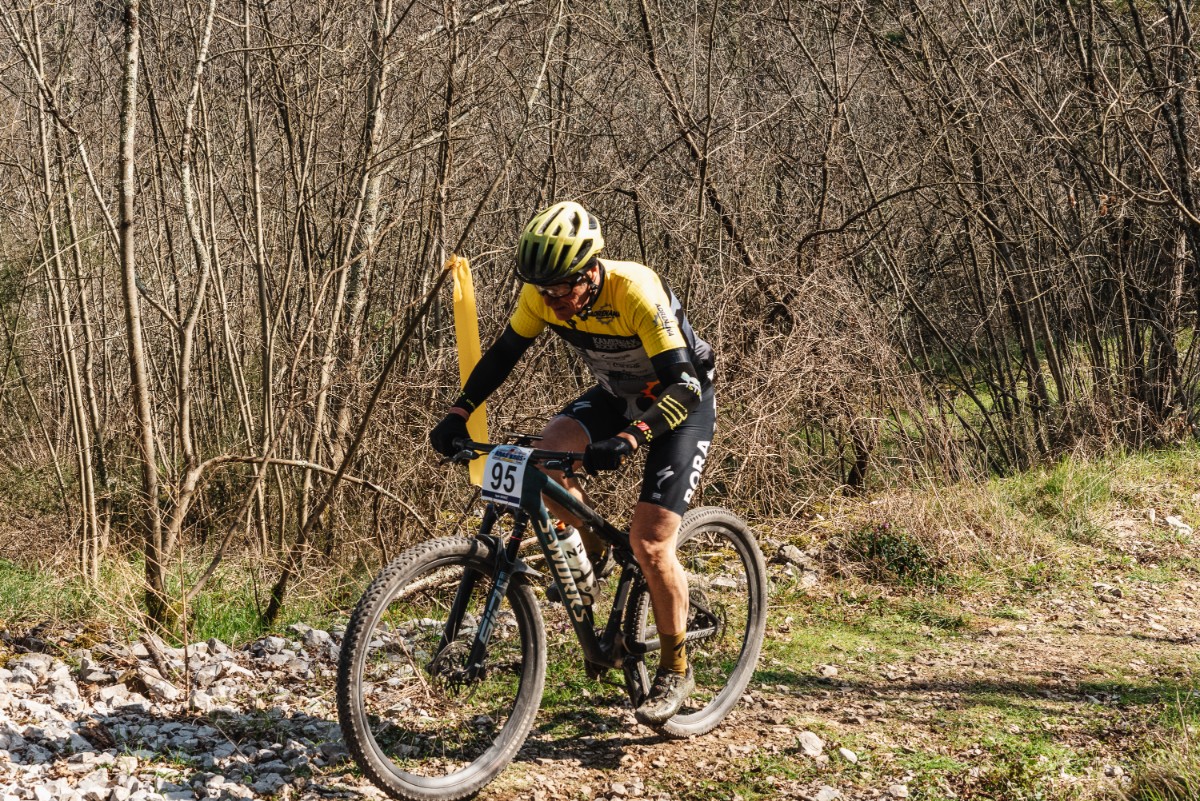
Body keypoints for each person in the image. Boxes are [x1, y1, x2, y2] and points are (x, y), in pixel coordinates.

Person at [429, 200, 716, 724]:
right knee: (547, 456)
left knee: (651, 543)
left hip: (678, 402)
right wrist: (458, 412)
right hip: (616, 394)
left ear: (590, 272)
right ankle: (593, 553)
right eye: (543, 291)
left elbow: (686, 384)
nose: (552, 301)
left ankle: (676, 668)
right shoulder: (541, 294)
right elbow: (503, 355)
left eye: (561, 290)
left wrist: (633, 437)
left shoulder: (635, 290)